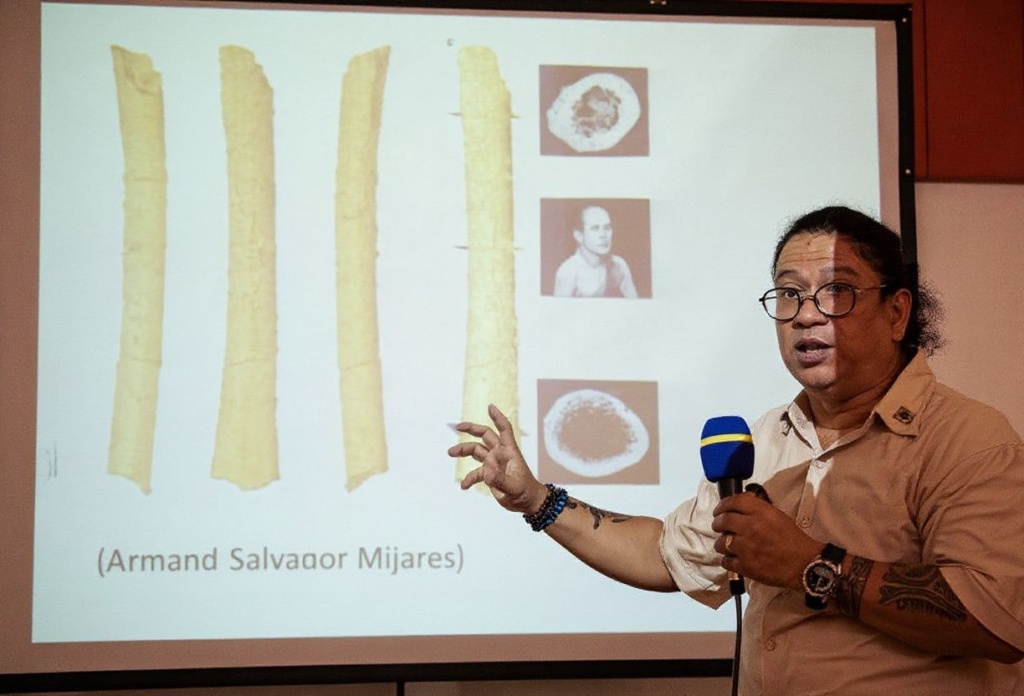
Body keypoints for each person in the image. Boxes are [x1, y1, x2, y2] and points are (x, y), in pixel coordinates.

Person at [449, 206, 1024, 695]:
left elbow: (994, 618)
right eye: (790, 294)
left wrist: (809, 564)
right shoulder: (765, 439)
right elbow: (665, 555)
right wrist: (537, 500)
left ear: (896, 312)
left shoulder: (965, 439)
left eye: (836, 292)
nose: (805, 314)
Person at [552, 204, 639, 298]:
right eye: (595, 228)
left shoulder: (619, 264)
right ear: (579, 236)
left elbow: (636, 305)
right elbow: (560, 310)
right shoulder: (569, 271)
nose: (603, 235)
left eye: (607, 228)